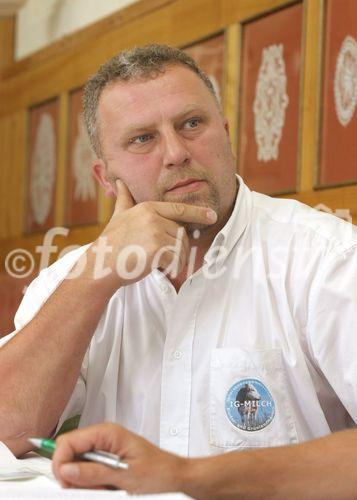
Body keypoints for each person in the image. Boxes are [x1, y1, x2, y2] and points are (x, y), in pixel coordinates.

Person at [0, 44, 356, 496]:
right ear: (107, 179)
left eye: (192, 124)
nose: (175, 152)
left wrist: (185, 478)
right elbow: (6, 427)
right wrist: (97, 275)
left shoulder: (328, 259)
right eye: (142, 139)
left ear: (226, 135)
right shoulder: (71, 277)